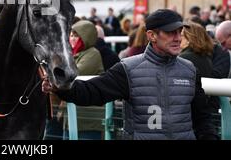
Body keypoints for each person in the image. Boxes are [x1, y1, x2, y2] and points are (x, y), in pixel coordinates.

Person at [42, 9, 219, 140]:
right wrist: (59, 87)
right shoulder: (128, 69)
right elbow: (91, 92)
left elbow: (202, 119)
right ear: (151, 35)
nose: (178, 38)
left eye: (179, 32)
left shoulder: (189, 69)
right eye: (170, 32)